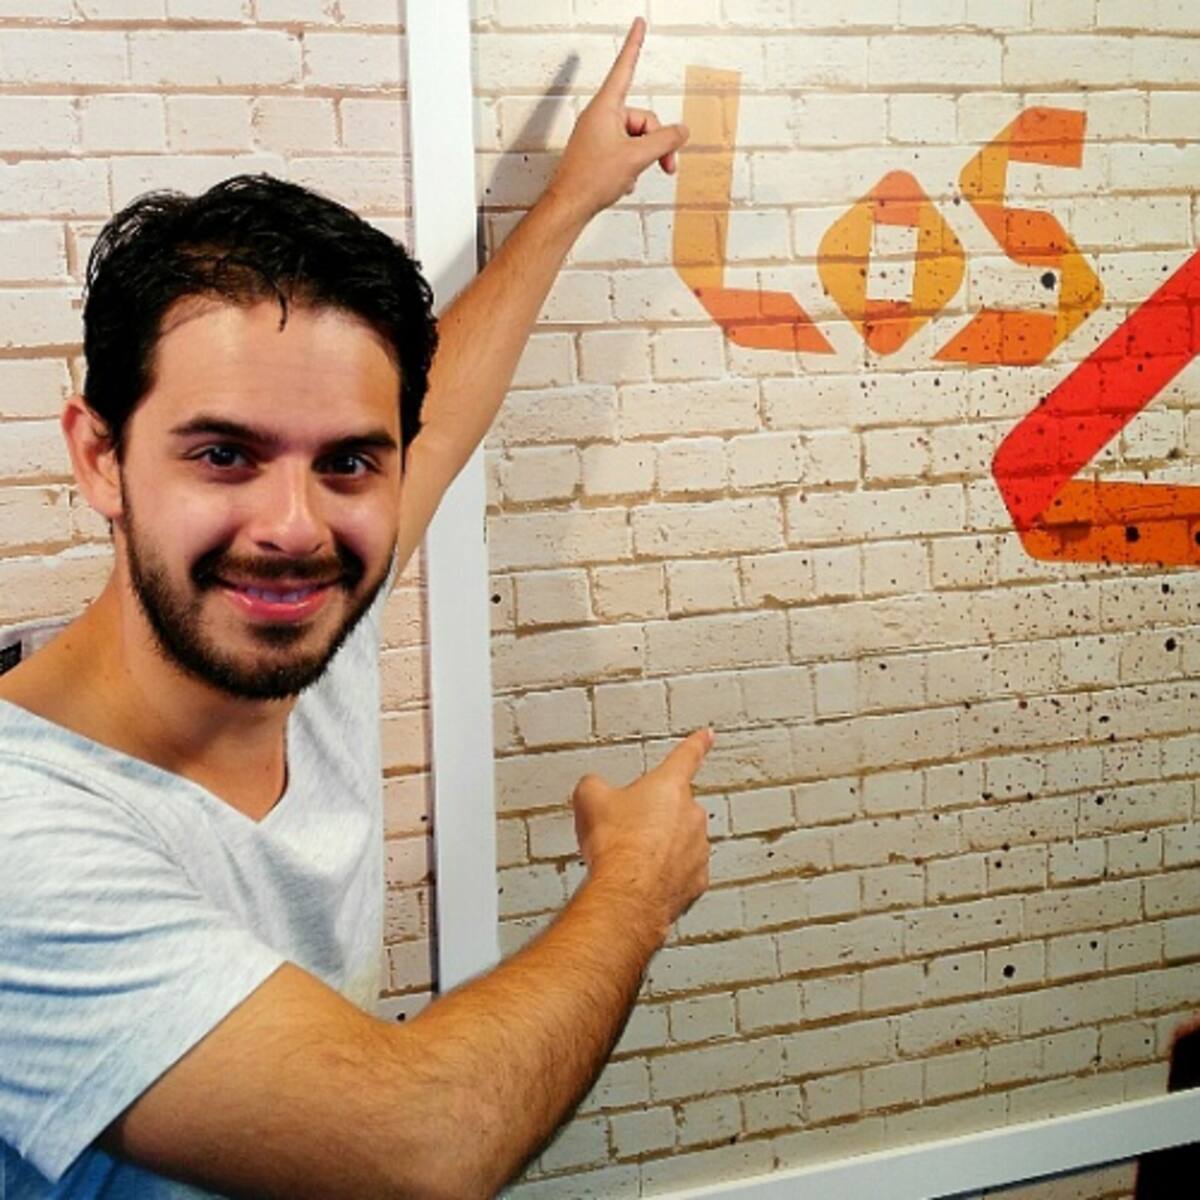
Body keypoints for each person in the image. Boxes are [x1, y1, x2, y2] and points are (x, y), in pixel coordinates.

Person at [0, 21, 712, 1199]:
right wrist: (636, 883)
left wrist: (573, 195)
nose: (294, 525)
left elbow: (442, 404)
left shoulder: (292, 618)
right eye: (223, 453)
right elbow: (420, 1148)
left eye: (345, 462)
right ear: (100, 458)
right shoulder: (23, 836)